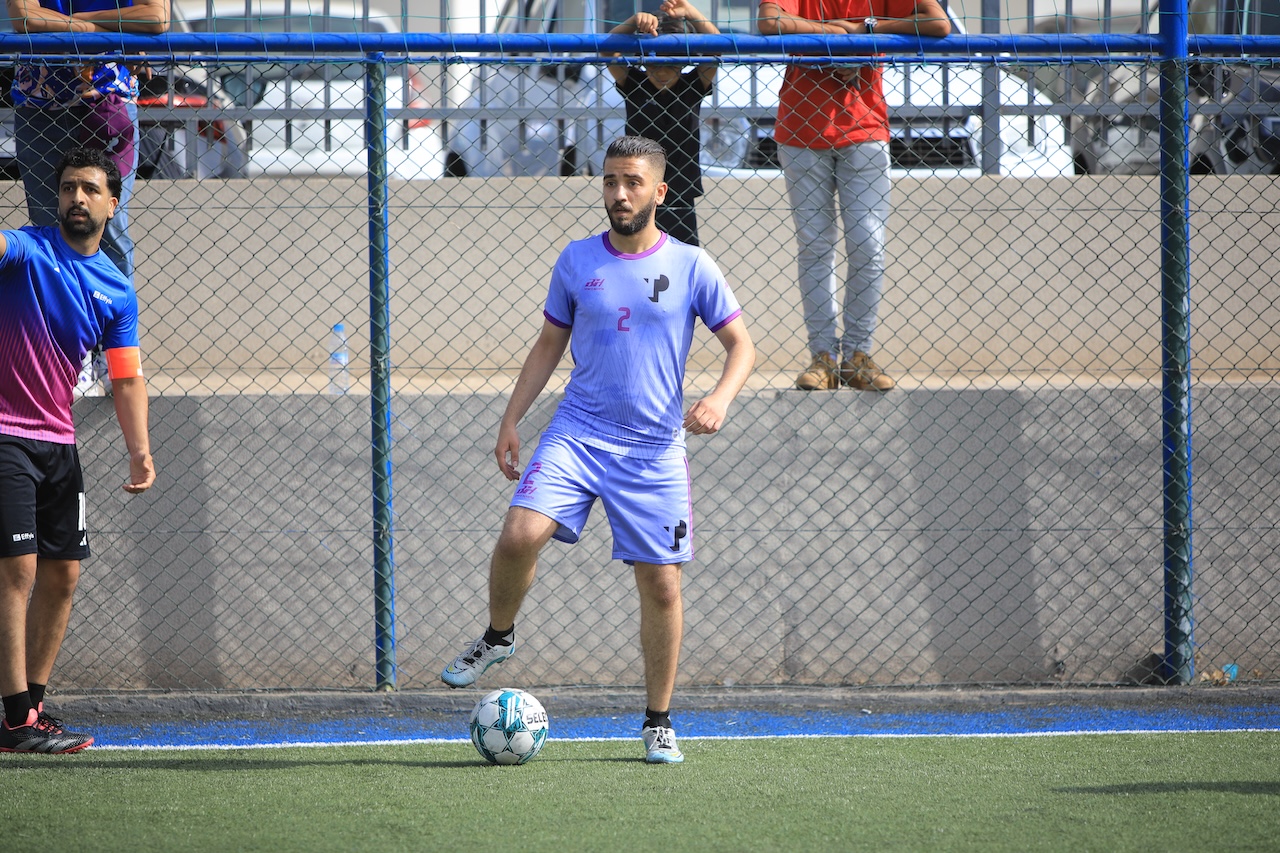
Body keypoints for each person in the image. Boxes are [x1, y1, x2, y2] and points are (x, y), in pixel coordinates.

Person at [441, 136, 755, 765]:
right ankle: (498, 637)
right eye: (611, 181)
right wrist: (511, 419)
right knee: (518, 535)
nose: (619, 193)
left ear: (659, 191)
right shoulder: (576, 258)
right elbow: (548, 345)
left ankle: (658, 722)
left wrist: (720, 399)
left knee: (661, 587)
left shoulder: (693, 265)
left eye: (632, 182)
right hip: (578, 433)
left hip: (654, 450)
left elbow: (741, 347)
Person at [0, 147, 157, 754]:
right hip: (6, 436)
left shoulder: (117, 288)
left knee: (62, 574)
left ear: (112, 204)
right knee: (17, 570)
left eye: (89, 189)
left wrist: (139, 451)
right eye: (68, 188)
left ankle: (32, 707)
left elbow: (126, 377)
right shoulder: (27, 249)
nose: (77, 198)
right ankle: (14, 719)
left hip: (59, 445)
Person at [758, 0, 949, 391]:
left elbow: (937, 23)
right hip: (800, 128)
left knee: (868, 244)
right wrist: (836, 35)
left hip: (864, 127)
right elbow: (770, 21)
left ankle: (858, 355)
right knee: (815, 246)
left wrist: (866, 30)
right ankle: (824, 357)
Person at [8, 0, 171, 393]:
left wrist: (75, 24)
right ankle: (70, 355)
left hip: (107, 102)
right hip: (41, 105)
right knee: (50, 232)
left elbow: (156, 17)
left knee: (109, 229)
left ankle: (116, 355)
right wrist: (110, 30)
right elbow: (25, 17)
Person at [605, 0, 719, 246]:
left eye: (671, 63)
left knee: (683, 252)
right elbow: (606, 50)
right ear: (643, 60)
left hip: (680, 188)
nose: (662, 71)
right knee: (635, 249)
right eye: (654, 62)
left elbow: (718, 47)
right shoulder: (635, 84)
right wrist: (634, 21)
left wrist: (691, 12)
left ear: (684, 61)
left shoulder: (691, 86)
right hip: (638, 187)